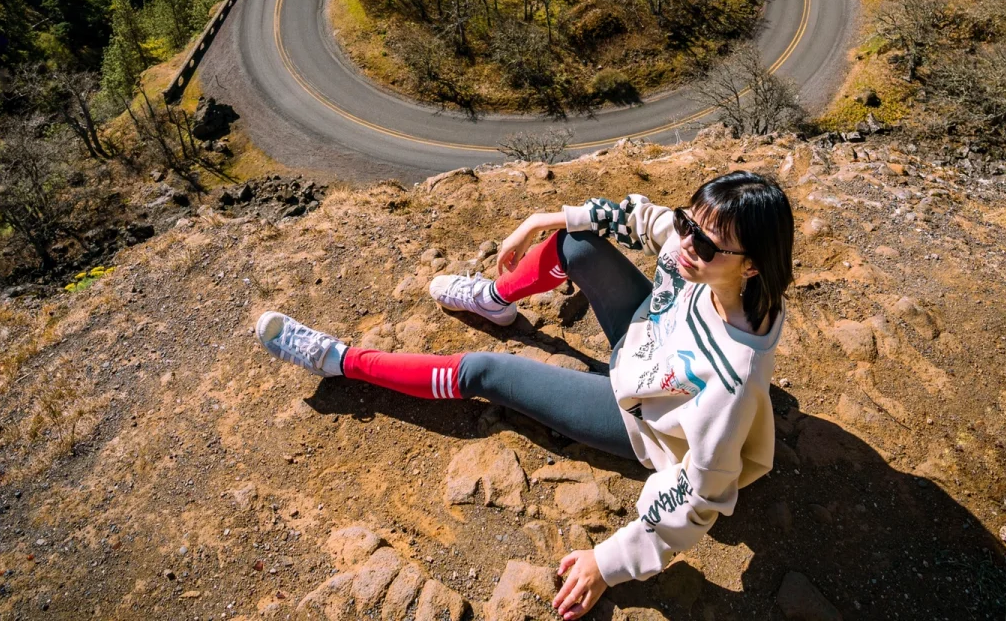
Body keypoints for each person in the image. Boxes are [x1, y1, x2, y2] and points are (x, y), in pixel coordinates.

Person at [256, 170, 794, 620]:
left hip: (640, 417)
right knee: (577, 243)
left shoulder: (732, 381)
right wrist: (545, 219)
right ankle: (495, 299)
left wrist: (609, 562)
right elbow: (643, 218)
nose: (686, 244)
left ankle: (343, 361)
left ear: (751, 265)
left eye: (705, 243)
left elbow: (698, 498)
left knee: (486, 372)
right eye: (687, 223)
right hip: (643, 340)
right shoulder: (704, 261)